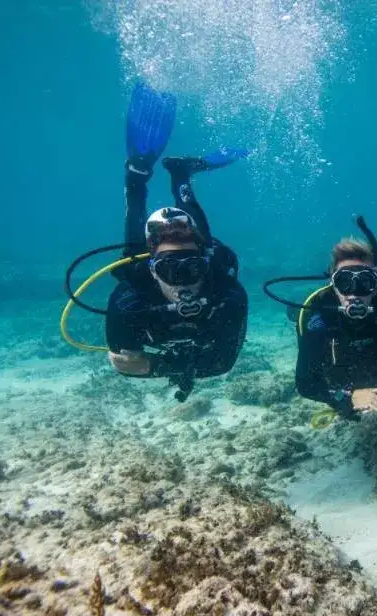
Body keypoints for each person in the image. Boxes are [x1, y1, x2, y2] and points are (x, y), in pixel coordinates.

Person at [104, 82, 249, 401]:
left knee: (199, 241)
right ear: (154, 271)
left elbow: (223, 363)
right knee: (138, 250)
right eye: (171, 270)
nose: (183, 280)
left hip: (200, 259)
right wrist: (165, 365)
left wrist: (155, 365)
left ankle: (142, 177)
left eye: (191, 268)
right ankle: (171, 177)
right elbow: (124, 363)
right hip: (153, 262)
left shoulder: (227, 294)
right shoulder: (129, 299)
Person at [286, 219, 377, 420]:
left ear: (376, 286)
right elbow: (306, 384)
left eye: (365, 282)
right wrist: (346, 398)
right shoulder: (317, 317)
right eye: (344, 282)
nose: (354, 294)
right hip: (340, 380)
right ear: (333, 284)